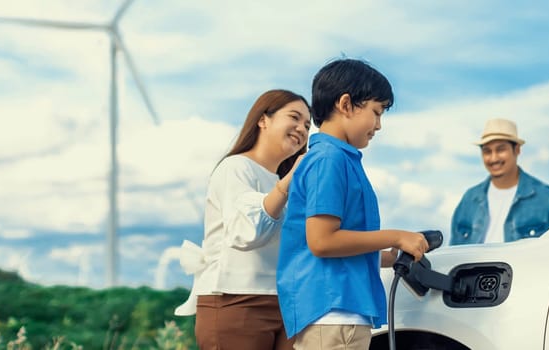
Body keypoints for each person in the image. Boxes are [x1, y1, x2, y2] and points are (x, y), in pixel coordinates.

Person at [276, 59, 429, 350]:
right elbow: (322, 241)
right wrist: (396, 235)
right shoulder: (329, 160)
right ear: (346, 104)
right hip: (334, 314)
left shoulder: (338, 159)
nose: (379, 125)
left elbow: (338, 242)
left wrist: (385, 256)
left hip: (337, 313)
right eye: (376, 111)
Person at [174, 89, 311, 350]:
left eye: (307, 125)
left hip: (285, 303)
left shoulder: (288, 184)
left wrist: (378, 256)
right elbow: (247, 232)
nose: (302, 129)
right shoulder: (235, 168)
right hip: (235, 300)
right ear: (263, 119)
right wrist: (289, 181)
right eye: (294, 117)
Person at [450, 118, 549, 245]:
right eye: (487, 151)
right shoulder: (469, 199)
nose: (493, 158)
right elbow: (454, 250)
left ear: (517, 150)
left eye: (500, 149)